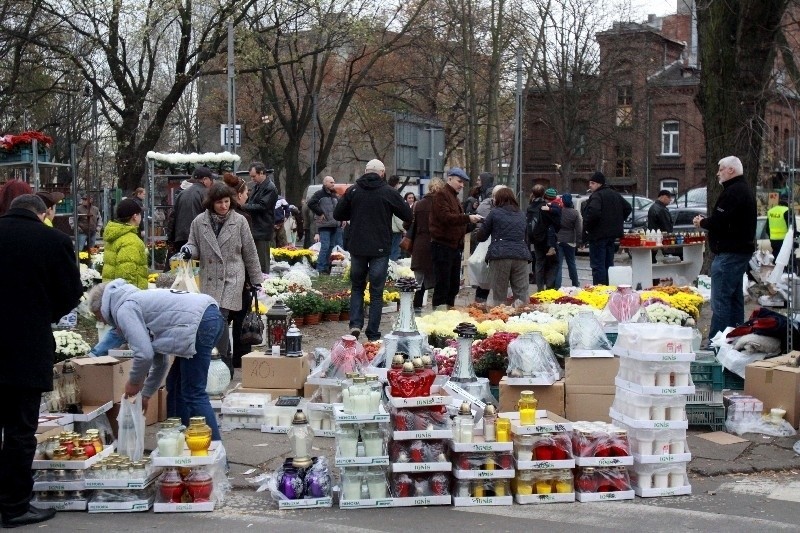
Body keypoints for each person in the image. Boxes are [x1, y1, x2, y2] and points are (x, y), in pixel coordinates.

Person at [0, 194, 82, 528]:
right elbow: (70, 292)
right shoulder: (54, 241)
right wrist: (42, 314)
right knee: (20, 430)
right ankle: (15, 505)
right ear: (43, 213)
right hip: (26, 346)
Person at [87, 280, 225, 441]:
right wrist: (146, 395)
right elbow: (161, 361)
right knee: (175, 386)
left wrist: (134, 383)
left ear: (102, 307)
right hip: (209, 316)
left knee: (193, 393)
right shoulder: (136, 301)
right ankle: (179, 443)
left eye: (98, 317)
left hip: (199, 322)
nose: (102, 322)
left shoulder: (125, 309)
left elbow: (144, 354)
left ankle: (216, 456)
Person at [181, 182, 263, 369]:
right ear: (211, 203)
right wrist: (187, 251)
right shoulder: (199, 222)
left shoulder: (239, 221)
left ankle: (223, 360)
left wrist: (256, 279)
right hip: (209, 276)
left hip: (232, 276)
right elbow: (193, 244)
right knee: (215, 317)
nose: (224, 206)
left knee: (220, 316)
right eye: (219, 202)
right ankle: (220, 359)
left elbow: (249, 251)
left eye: (226, 201)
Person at [333, 159, 412, 340]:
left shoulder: (353, 190)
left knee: (357, 287)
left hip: (358, 247)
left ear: (365, 171)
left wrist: (353, 212)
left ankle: (355, 324)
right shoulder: (389, 192)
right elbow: (408, 215)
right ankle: (373, 333)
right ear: (382, 173)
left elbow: (338, 214)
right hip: (380, 248)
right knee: (376, 291)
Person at [694, 156, 757, 340]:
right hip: (739, 252)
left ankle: (716, 341)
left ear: (731, 170)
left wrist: (702, 222)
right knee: (735, 299)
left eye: (720, 169)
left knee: (720, 301)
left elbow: (721, 221)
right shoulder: (742, 189)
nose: (717, 172)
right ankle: (735, 337)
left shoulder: (733, 192)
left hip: (729, 254)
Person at [429, 167, 482, 310]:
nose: (462, 185)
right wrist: (468, 218)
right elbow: (446, 218)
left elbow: (457, 224)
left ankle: (448, 311)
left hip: (453, 247)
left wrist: (472, 224)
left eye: (463, 182)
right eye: (459, 181)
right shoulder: (442, 195)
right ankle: (439, 316)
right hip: (442, 246)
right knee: (443, 284)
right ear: (450, 179)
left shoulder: (454, 197)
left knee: (452, 285)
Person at [223, 172, 257, 369]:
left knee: (223, 319)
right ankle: (241, 359)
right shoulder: (243, 218)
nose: (247, 196)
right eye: (245, 193)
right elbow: (248, 251)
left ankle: (225, 358)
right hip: (239, 275)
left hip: (222, 276)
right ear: (238, 195)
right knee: (241, 318)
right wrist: (252, 278)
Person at [476, 187, 530, 305]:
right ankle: (522, 317)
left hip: (500, 255)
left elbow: (481, 236)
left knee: (499, 293)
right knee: (521, 293)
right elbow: (526, 237)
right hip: (521, 255)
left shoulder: (494, 213)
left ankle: (499, 318)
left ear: (499, 199)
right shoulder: (521, 214)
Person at [582, 171, 631, 285]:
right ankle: (609, 288)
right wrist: (617, 221)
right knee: (608, 264)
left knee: (598, 265)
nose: (590, 185)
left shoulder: (597, 195)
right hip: (612, 236)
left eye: (592, 183)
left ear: (599, 184)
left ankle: (600, 290)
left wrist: (588, 227)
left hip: (598, 235)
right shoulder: (615, 194)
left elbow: (593, 213)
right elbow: (627, 208)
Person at [405, 179, 442, 313]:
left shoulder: (418, 205)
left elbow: (407, 224)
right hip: (437, 244)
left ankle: (416, 309)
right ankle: (437, 311)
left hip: (420, 244)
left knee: (419, 280)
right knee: (438, 279)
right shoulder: (442, 206)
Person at [102, 199, 148, 288]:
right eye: (140, 214)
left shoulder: (114, 235)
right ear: (134, 216)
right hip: (129, 297)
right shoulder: (131, 241)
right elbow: (127, 275)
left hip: (111, 293)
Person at [168, 166, 213, 256]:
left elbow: (172, 217)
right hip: (199, 239)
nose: (212, 182)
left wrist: (171, 239)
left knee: (185, 268)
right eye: (211, 180)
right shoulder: (207, 194)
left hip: (180, 238)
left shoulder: (181, 193)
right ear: (205, 179)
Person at [242, 163, 279, 273]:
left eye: (254, 176)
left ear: (262, 173)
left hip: (262, 228)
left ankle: (262, 282)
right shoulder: (257, 186)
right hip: (256, 227)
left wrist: (244, 206)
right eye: (251, 176)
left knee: (262, 261)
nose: (252, 179)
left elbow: (263, 206)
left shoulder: (270, 188)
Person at [472, 184, 505, 302]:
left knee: (500, 279)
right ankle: (480, 303)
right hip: (488, 246)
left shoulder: (506, 209)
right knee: (485, 274)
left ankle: (498, 305)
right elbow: (482, 230)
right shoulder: (486, 207)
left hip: (500, 247)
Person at [528, 186, 561, 291]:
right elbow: (557, 223)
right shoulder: (546, 207)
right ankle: (550, 286)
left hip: (536, 239)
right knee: (554, 263)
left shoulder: (530, 207)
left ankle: (539, 288)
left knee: (539, 263)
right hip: (548, 239)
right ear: (543, 194)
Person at [309, 175, 340, 274]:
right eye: (331, 182)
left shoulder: (334, 195)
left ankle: (326, 267)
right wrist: (320, 212)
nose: (333, 184)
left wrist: (341, 219)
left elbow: (338, 208)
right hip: (324, 224)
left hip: (334, 224)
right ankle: (320, 267)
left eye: (333, 182)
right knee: (325, 246)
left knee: (331, 247)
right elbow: (310, 203)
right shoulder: (319, 194)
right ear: (325, 183)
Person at [555, 193, 582, 287]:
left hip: (559, 239)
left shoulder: (559, 211)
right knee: (571, 263)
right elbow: (579, 229)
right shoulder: (575, 213)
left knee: (558, 265)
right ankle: (575, 283)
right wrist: (579, 241)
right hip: (570, 240)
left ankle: (557, 286)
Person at [767, 191, 793, 259]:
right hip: (784, 241)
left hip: (773, 241)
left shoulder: (771, 211)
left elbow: (767, 228)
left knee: (776, 259)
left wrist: (771, 237)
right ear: (788, 201)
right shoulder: (787, 210)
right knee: (785, 261)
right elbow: (792, 228)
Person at [387, 175, 404, 260]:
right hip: (395, 229)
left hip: (387, 228)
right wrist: (403, 229)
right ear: (396, 184)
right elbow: (397, 215)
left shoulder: (385, 192)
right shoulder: (395, 195)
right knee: (394, 252)